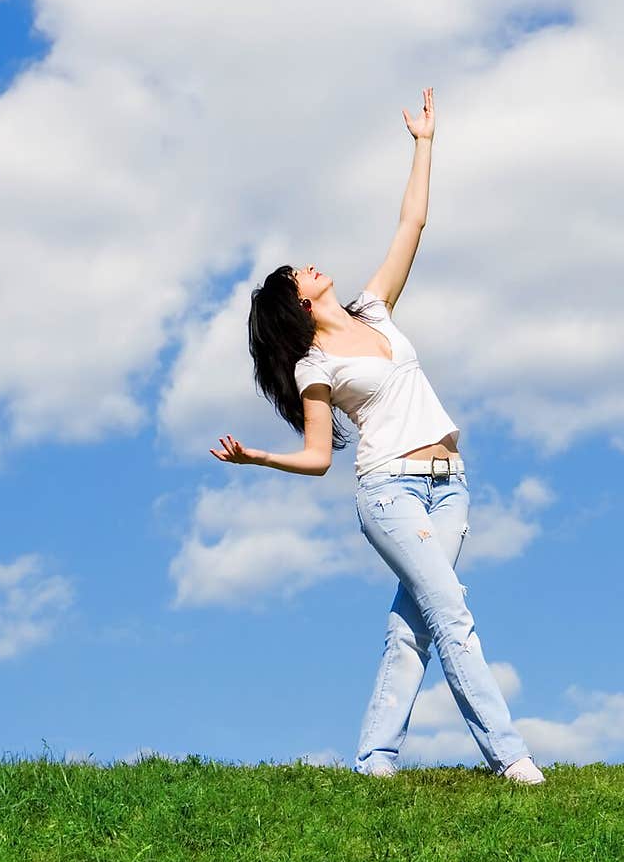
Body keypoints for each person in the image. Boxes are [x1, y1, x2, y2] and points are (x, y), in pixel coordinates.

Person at [211, 87, 544, 785]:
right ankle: (510, 758)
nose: (312, 266)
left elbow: (411, 224)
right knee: (451, 613)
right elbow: (317, 455)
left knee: (412, 629)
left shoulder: (374, 309)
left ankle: (375, 763)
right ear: (298, 302)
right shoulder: (314, 365)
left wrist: (424, 143)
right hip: (389, 493)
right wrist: (259, 457)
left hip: (451, 488)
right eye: (300, 272)